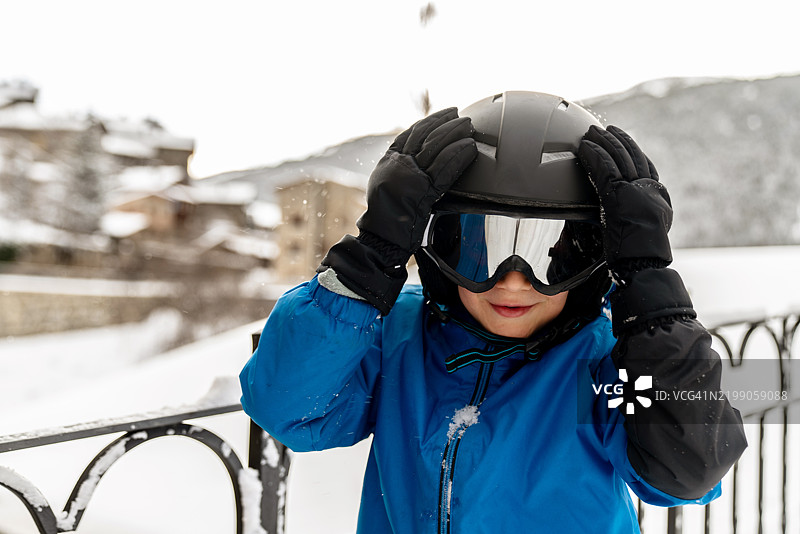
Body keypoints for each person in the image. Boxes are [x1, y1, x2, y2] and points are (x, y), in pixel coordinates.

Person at [239, 91, 747, 533]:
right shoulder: (398, 339)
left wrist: (650, 291)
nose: (512, 280)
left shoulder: (602, 365)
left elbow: (686, 469)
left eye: (552, 254)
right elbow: (288, 407)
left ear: (593, 262)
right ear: (437, 249)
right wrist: (367, 261)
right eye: (479, 248)